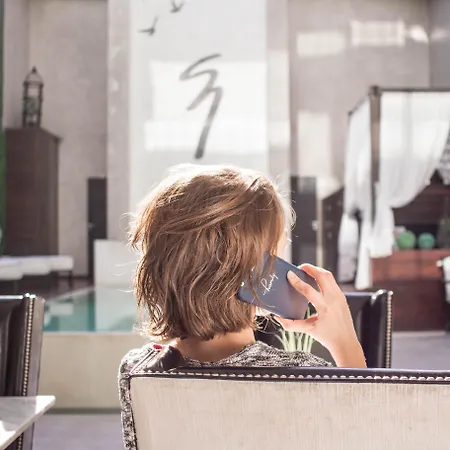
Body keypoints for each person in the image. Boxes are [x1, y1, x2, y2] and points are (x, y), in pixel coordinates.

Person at [119, 165, 366, 449]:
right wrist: (346, 342)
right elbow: (370, 433)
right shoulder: (304, 375)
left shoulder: (137, 369)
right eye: (279, 250)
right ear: (262, 270)